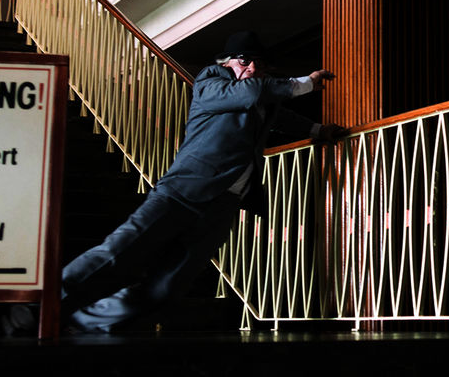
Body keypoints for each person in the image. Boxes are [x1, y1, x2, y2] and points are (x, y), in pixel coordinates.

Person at [59, 30, 341, 333]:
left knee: (168, 286)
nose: (253, 69)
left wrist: (316, 130)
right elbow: (251, 94)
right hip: (182, 191)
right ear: (227, 62)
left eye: (260, 64)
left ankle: (84, 323)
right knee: (118, 254)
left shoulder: (260, 97)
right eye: (245, 62)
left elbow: (280, 116)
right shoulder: (211, 82)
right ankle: (41, 306)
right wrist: (307, 83)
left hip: (224, 201)